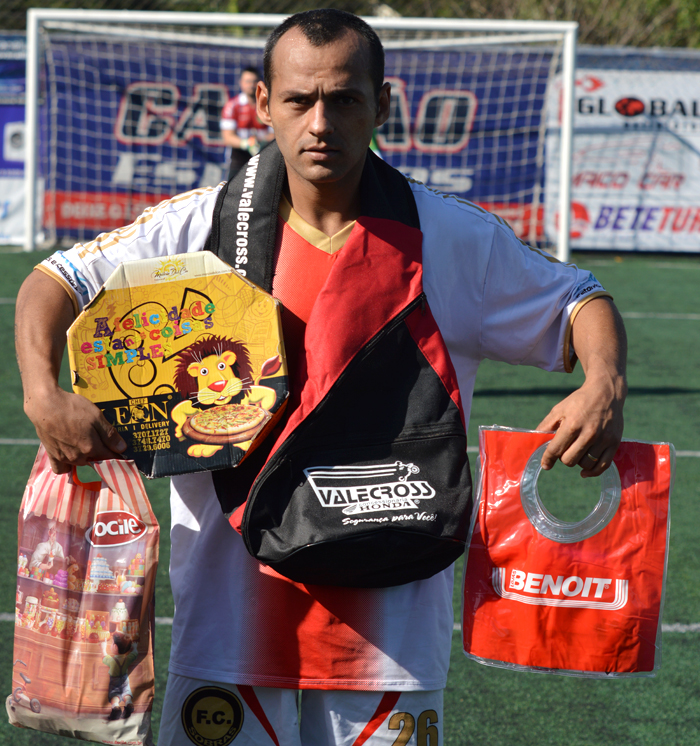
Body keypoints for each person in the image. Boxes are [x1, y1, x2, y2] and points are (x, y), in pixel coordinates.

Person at [15, 9, 627, 745]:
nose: (320, 123)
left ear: (383, 106)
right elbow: (54, 282)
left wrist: (605, 381)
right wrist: (43, 393)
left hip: (390, 631)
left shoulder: (452, 236)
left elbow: (579, 300)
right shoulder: (197, 226)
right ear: (264, 104)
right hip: (231, 619)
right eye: (300, 101)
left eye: (344, 99)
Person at [220, 66, 275, 180]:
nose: (251, 85)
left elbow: (275, 134)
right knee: (233, 193)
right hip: (238, 158)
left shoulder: (269, 106)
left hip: (264, 155)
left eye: (254, 82)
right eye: (247, 81)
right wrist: (247, 144)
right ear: (241, 83)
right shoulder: (232, 106)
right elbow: (227, 137)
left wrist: (261, 142)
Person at [101, 631, 139, 720]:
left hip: (115, 681)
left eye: (111, 643)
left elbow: (104, 657)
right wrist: (135, 647)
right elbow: (135, 654)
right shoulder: (128, 659)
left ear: (115, 646)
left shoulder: (112, 661)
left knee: (115, 694)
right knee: (126, 692)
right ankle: (128, 703)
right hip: (125, 679)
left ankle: (116, 708)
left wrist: (103, 648)